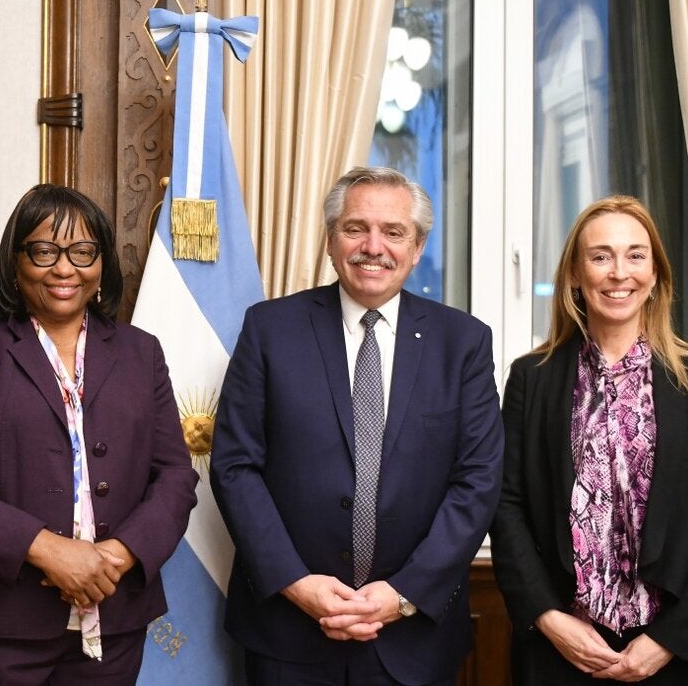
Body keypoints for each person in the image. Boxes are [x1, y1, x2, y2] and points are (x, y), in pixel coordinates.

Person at [211, 166, 504, 685]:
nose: (373, 247)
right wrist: (296, 583)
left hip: (414, 640)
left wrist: (404, 594)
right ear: (330, 240)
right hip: (287, 634)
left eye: (394, 232)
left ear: (417, 247)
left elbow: (478, 481)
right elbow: (235, 467)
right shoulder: (269, 329)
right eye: (355, 228)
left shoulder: (463, 343)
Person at [0, 183, 199, 684]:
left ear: (102, 263)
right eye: (44, 251)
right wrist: (47, 549)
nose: (65, 268)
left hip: (113, 622)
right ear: (15, 260)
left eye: (83, 251)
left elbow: (174, 475)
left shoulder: (141, 352)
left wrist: (116, 556)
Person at [489, 195, 688, 684]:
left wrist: (670, 639)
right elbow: (506, 505)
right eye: (600, 256)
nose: (619, 273)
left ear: (655, 273)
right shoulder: (531, 378)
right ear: (574, 275)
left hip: (672, 652)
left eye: (635, 255)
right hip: (559, 649)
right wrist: (549, 618)